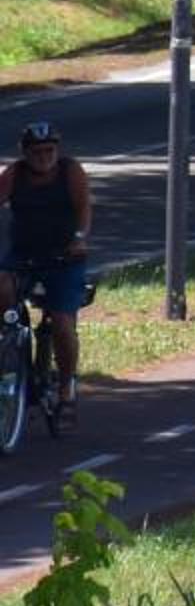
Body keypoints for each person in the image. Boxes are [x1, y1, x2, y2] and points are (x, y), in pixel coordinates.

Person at [2, 122, 90, 418]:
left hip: (64, 258)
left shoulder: (70, 171)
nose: (44, 157)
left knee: (63, 324)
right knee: (2, 289)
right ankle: (9, 349)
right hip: (23, 255)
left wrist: (79, 239)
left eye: (49, 151)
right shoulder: (14, 175)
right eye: (37, 152)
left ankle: (66, 386)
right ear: (25, 153)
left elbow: (83, 209)